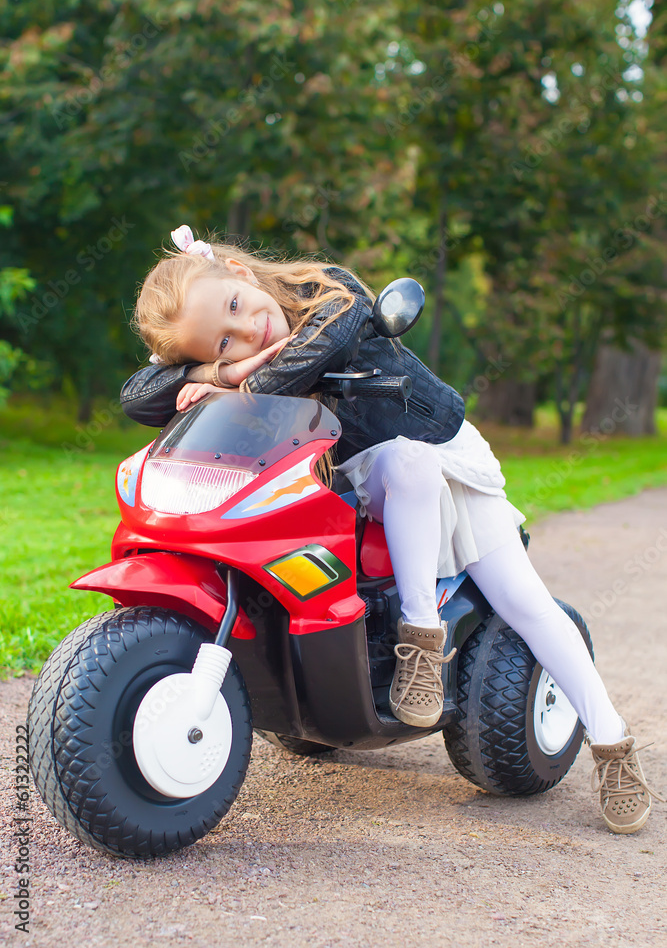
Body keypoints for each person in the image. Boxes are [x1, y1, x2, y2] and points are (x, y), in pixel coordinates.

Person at [121, 223, 662, 835]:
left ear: (241, 276)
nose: (247, 332)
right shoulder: (237, 347)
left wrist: (226, 374)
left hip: (445, 454)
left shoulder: (330, 294)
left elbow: (316, 348)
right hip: (360, 475)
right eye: (223, 342)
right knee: (332, 524)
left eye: (236, 309)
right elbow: (138, 395)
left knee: (525, 602)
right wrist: (210, 375)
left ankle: (604, 740)